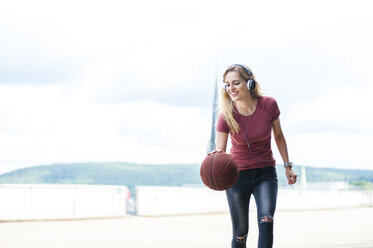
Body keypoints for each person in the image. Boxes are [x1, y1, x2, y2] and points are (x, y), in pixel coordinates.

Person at [210, 64, 297, 248]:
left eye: (236, 83)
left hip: (265, 173)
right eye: (227, 84)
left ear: (249, 83)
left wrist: (287, 166)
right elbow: (221, 152)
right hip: (238, 177)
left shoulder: (268, 105)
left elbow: (279, 136)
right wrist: (214, 164)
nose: (231, 88)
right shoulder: (226, 115)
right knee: (240, 234)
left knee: (266, 220)